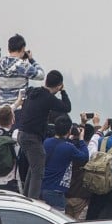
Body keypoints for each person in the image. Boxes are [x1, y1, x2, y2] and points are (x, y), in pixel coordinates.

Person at [17, 69, 70, 200]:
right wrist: (63, 91)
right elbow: (66, 107)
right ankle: (32, 201)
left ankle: (26, 197)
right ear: (58, 86)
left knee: (34, 167)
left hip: (21, 133)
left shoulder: (33, 92)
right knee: (38, 171)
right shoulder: (48, 98)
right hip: (32, 137)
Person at [42, 114, 90, 208]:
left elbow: (60, 144)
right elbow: (84, 157)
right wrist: (81, 139)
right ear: (69, 131)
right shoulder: (69, 147)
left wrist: (82, 124)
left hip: (44, 187)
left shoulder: (46, 142)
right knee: (59, 219)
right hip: (56, 191)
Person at [0, 34, 45, 110]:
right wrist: (31, 60)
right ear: (23, 49)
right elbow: (41, 75)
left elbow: (12, 64)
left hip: (2, 110)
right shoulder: (23, 65)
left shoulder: (0, 63)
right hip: (18, 108)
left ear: (9, 49)